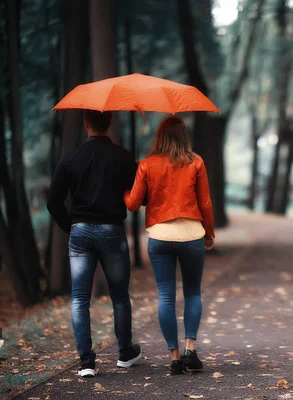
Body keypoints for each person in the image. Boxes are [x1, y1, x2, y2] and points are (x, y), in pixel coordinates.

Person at [47, 110, 142, 377]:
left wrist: (71, 227)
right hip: (112, 231)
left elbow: (53, 201)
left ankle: (87, 362)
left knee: (79, 299)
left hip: (80, 233)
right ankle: (125, 353)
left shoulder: (70, 158)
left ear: (85, 123)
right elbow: (138, 196)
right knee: (120, 296)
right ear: (109, 122)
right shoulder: (123, 156)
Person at [124, 116, 215, 375]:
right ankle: (190, 351)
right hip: (191, 236)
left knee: (166, 296)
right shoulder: (196, 162)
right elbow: (205, 203)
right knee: (193, 293)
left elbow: (132, 204)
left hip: (160, 237)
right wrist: (209, 233)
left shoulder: (147, 164)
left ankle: (174, 357)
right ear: (184, 136)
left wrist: (125, 191)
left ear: (159, 137)